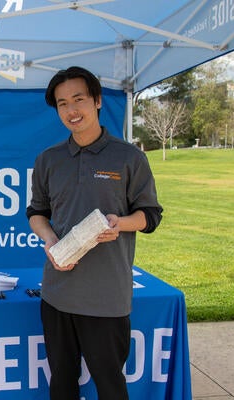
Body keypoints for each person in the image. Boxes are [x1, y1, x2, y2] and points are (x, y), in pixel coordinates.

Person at [26, 66, 163, 400]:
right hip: (57, 293)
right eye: (62, 104)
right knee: (62, 382)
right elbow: (36, 213)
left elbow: (151, 216)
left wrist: (121, 222)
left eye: (79, 99)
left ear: (97, 101)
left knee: (110, 385)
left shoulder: (129, 157)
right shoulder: (49, 160)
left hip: (106, 297)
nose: (72, 110)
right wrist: (50, 240)